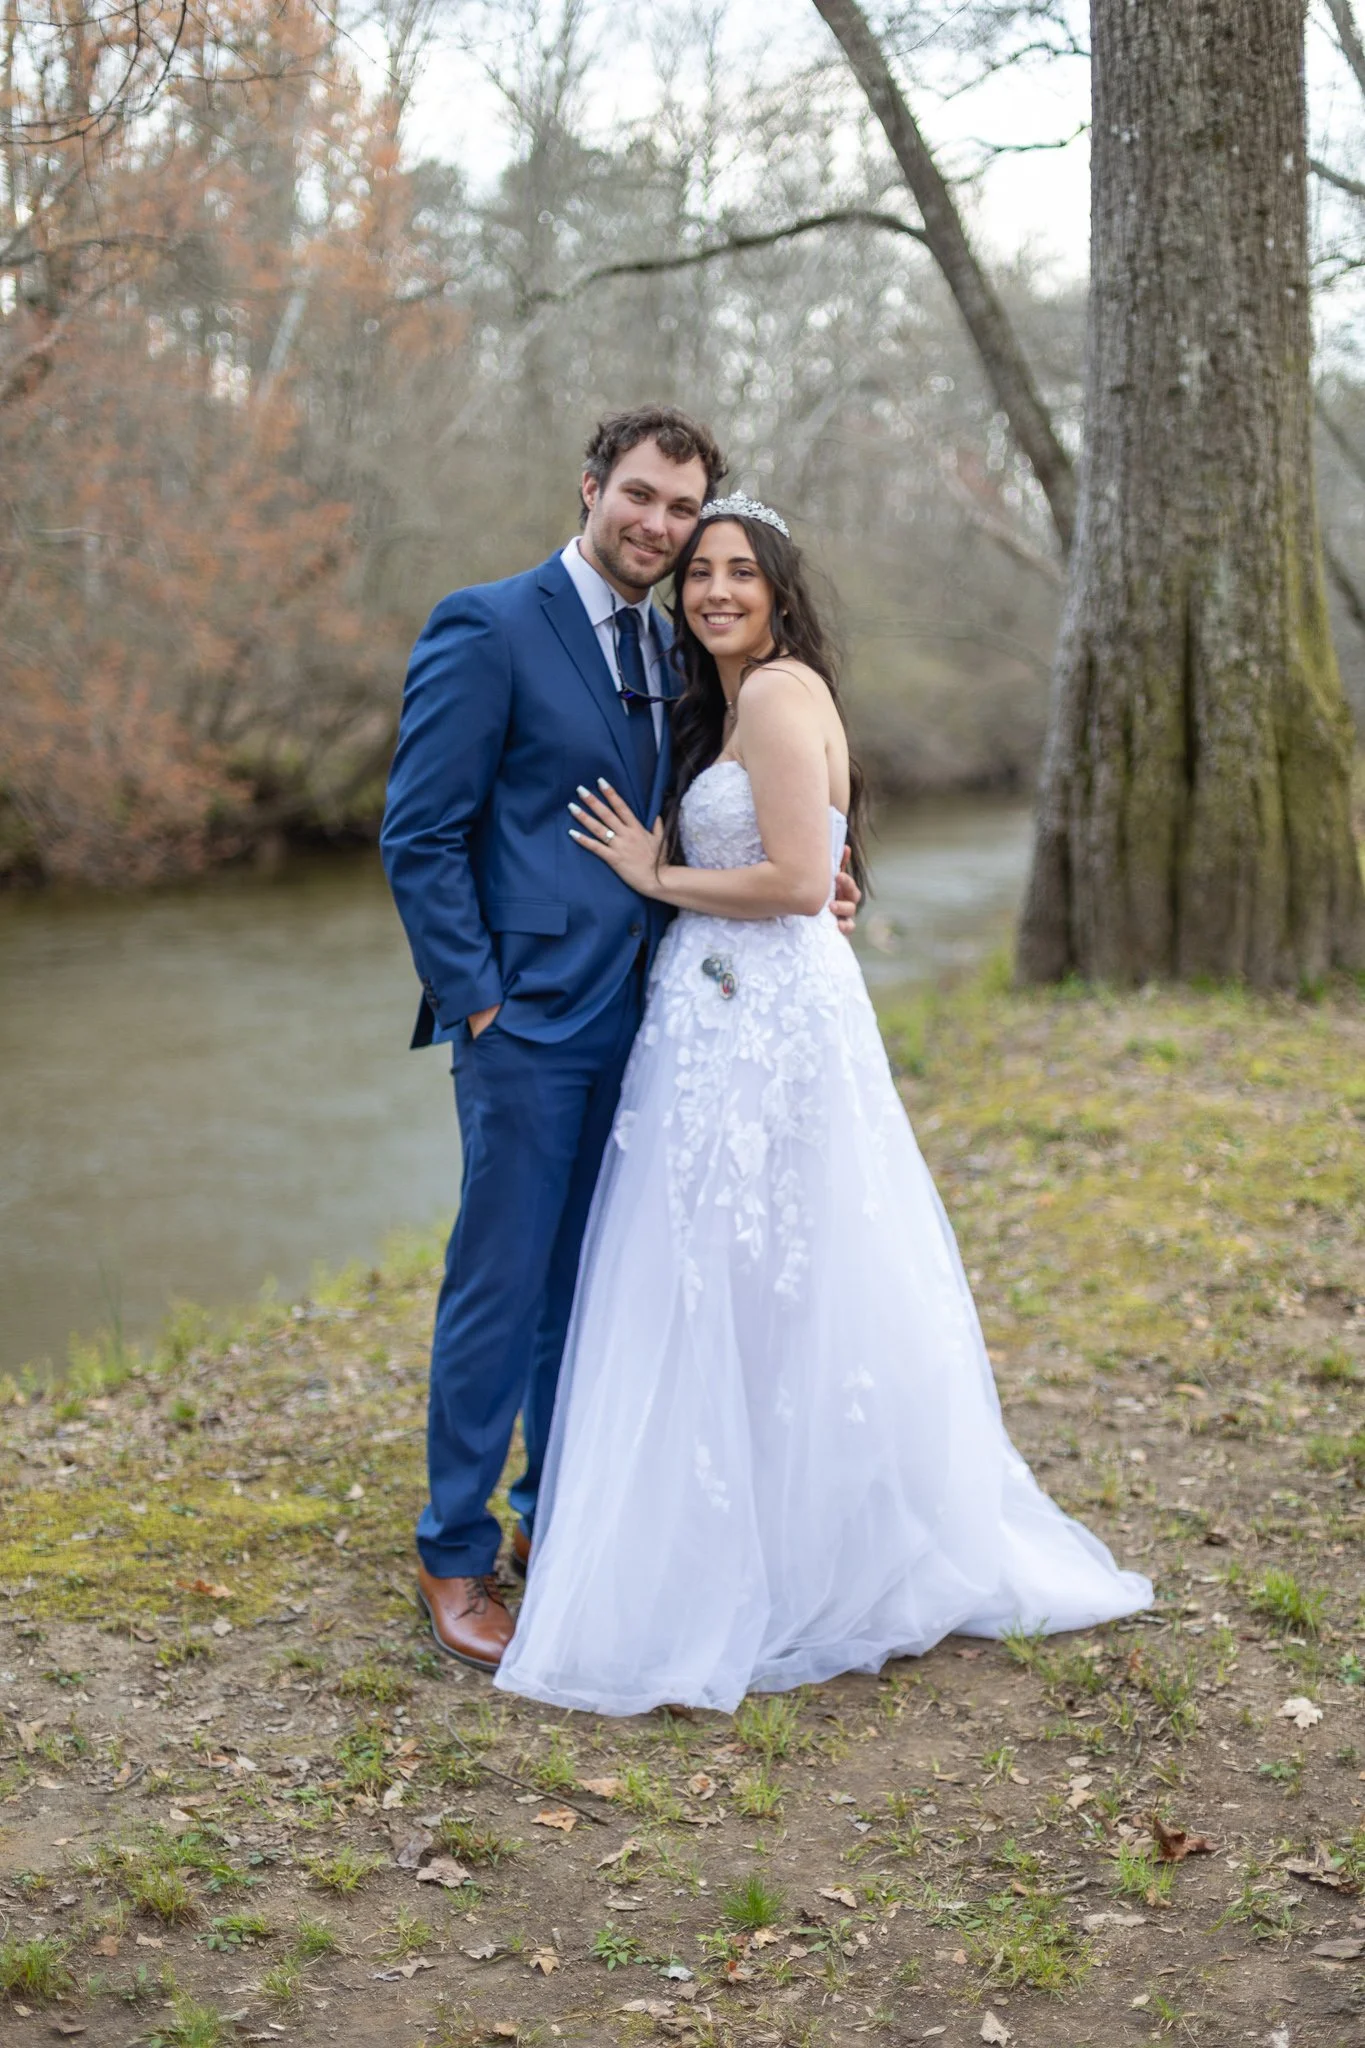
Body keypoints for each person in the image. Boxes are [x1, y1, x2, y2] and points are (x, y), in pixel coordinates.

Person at [495, 496, 1152, 1715]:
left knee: (757, 1267)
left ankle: (788, 1559)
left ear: (782, 589)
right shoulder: (738, 699)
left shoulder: (782, 693)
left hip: (764, 1025)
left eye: (742, 571)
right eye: (701, 572)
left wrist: (656, 871)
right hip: (730, 1013)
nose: (716, 590)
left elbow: (800, 881)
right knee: (747, 1276)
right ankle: (748, 1534)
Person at [380, 409, 859, 1672]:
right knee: (503, 1279)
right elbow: (418, 832)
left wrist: (827, 870)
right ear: (591, 488)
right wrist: (479, 995)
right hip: (528, 1022)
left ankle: (557, 1516)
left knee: (589, 1287)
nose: (656, 526)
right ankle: (453, 1547)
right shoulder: (489, 624)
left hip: (658, 1018)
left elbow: (734, 815)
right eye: (639, 498)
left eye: (679, 509)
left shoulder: (675, 646)